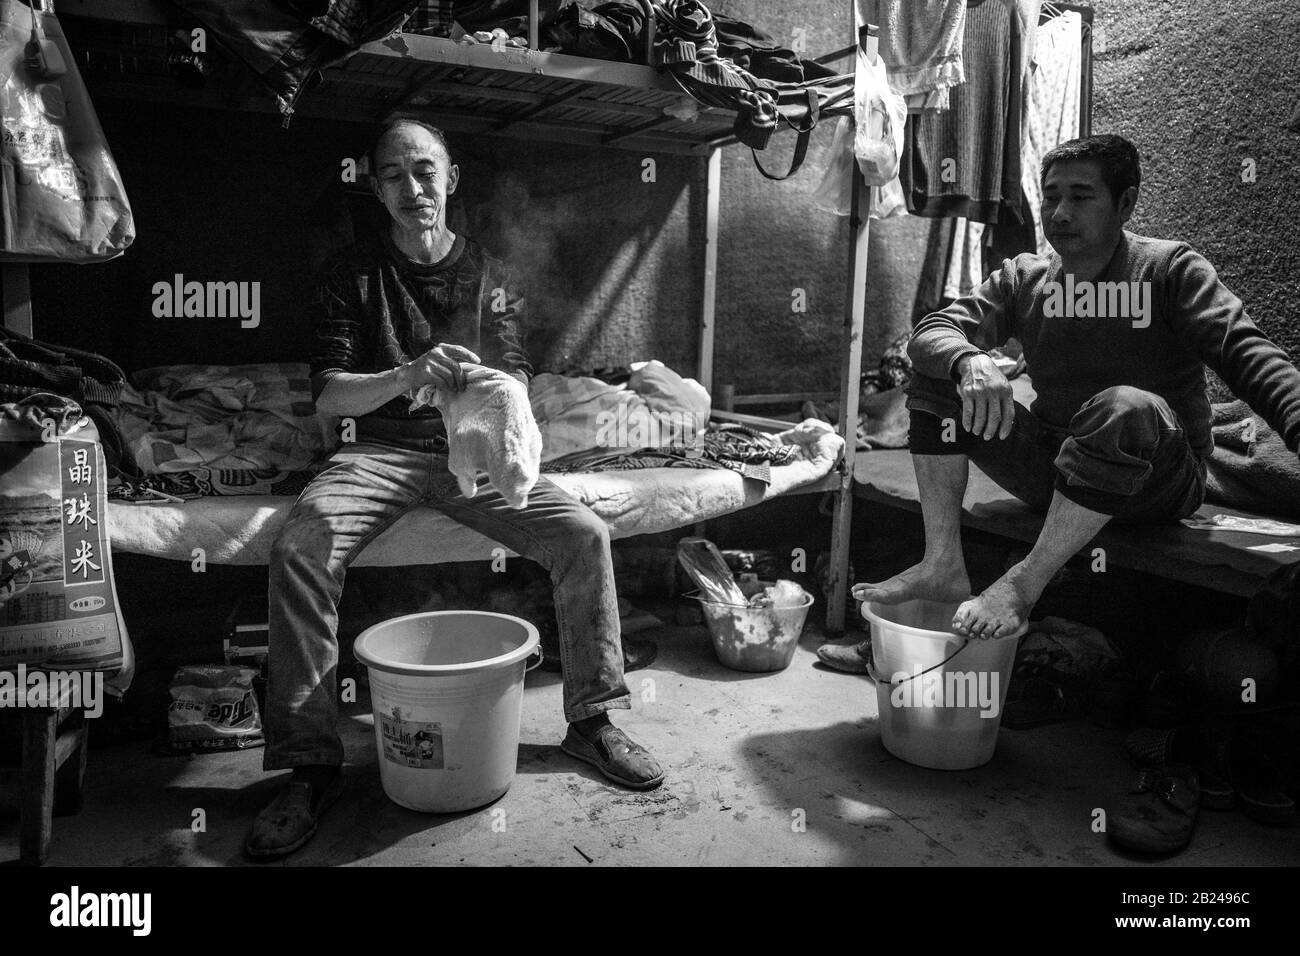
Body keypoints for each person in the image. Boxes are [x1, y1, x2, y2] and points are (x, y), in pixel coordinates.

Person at [245, 119, 664, 860]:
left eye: (426, 171)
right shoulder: (351, 275)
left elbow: (517, 371)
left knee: (582, 535)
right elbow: (331, 397)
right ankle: (310, 768)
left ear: (452, 178)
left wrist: (496, 392)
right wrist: (408, 375)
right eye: (396, 175)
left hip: (473, 456)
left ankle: (592, 721)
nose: (414, 189)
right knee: (303, 547)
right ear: (375, 187)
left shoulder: (493, 277)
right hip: (375, 454)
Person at [848, 133, 1300, 641]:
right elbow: (930, 333)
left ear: (1125, 203)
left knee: (1123, 406)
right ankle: (942, 561)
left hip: (1159, 480)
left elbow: (1249, 354)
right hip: (1059, 468)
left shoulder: (1170, 270)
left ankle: (1022, 585)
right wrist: (969, 359)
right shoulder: (1025, 277)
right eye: (1050, 196)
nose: (1059, 212)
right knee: (939, 377)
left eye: (1081, 196)